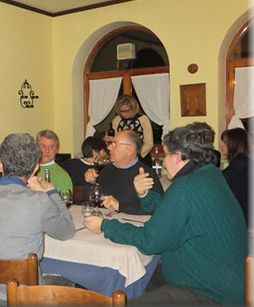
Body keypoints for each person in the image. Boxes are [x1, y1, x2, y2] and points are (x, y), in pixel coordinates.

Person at [83, 125, 247, 305]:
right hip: (221, 279)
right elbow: (174, 212)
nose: (163, 161)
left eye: (166, 155)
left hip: (211, 293)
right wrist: (145, 196)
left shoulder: (186, 187)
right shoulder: (209, 174)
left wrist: (105, 226)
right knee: (135, 278)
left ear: (178, 157)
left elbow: (150, 241)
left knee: (130, 291)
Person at [0, 133, 75, 306]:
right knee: (75, 283)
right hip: (25, 297)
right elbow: (67, 232)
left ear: (0, 164)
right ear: (35, 168)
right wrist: (51, 191)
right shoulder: (39, 201)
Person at [84, 130, 163, 215]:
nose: (109, 148)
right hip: (105, 222)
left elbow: (159, 208)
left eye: (114, 144)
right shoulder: (106, 170)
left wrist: (120, 206)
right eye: (110, 144)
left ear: (129, 149)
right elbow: (88, 200)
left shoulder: (146, 174)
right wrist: (91, 182)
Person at [220, 127, 253, 225]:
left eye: (225, 143)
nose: (221, 145)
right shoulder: (242, 161)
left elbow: (219, 181)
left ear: (234, 144)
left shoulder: (239, 163)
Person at [111, 95, 153, 167]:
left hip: (141, 158)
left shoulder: (143, 119)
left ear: (133, 108)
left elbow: (149, 143)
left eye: (126, 111)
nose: (123, 114)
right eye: (121, 111)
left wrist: (135, 155)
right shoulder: (116, 120)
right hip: (122, 159)